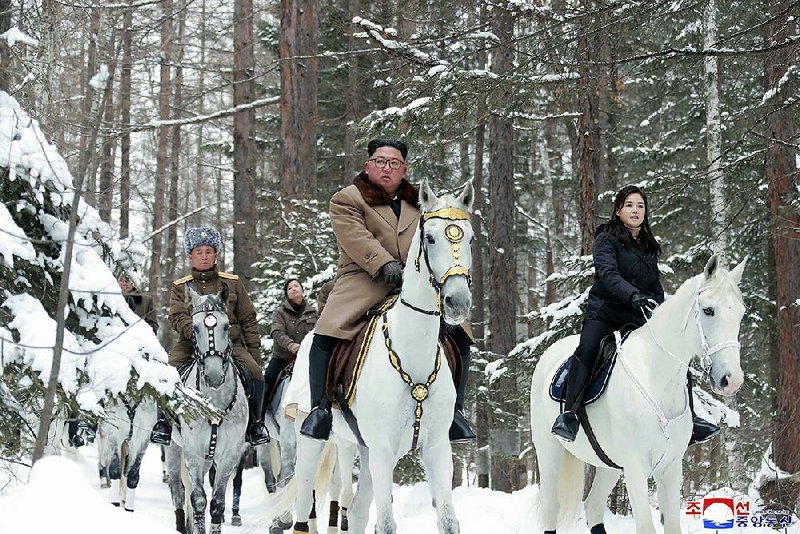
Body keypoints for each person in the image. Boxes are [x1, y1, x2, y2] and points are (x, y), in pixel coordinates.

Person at [300, 138, 475, 443]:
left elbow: (436, 237)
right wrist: (382, 263)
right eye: (380, 161)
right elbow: (355, 237)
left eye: (394, 163)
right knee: (327, 333)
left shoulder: (420, 201)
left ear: (404, 170)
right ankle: (320, 411)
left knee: (461, 336)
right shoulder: (347, 199)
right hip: (363, 280)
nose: (387, 168)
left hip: (414, 282)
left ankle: (455, 414)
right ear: (368, 166)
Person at [551, 185, 721, 445]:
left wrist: (659, 306)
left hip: (639, 317)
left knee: (674, 352)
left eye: (640, 206)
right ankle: (569, 415)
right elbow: (608, 275)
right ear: (618, 210)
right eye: (629, 205)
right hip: (605, 313)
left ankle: (692, 419)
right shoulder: (606, 239)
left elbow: (654, 285)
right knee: (587, 349)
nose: (635, 210)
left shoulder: (648, 245)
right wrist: (632, 295)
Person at [150, 226, 270, 446]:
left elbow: (248, 317)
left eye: (208, 251)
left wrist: (254, 352)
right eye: (199, 251)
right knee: (168, 371)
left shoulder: (232, 283)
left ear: (216, 254)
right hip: (191, 342)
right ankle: (164, 423)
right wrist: (196, 332)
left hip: (230, 343)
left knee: (256, 375)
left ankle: (255, 424)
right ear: (190, 256)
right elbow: (176, 316)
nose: (204, 256)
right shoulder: (181, 287)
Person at [67, 271, 156, 448]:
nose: (124, 283)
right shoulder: (105, 297)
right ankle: (89, 422)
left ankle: (160, 425)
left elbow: (154, 326)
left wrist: (139, 333)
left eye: (128, 280)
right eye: (122, 279)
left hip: (136, 350)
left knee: (158, 378)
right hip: (109, 348)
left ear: (135, 283)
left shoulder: (145, 301)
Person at [266, 279, 317, 398]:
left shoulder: (314, 313)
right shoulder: (279, 313)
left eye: (296, 286)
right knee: (268, 377)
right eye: (290, 288)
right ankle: (260, 413)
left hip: (306, 356)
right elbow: (277, 333)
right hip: (283, 357)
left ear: (302, 290)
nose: (293, 289)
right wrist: (291, 346)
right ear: (287, 294)